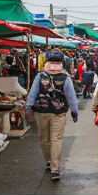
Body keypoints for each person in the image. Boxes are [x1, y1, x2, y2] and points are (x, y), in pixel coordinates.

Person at [24, 49, 79, 182]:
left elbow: (32, 94)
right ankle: (55, 168)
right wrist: (74, 112)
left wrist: (27, 109)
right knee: (56, 139)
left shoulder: (40, 76)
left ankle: (50, 162)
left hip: (41, 112)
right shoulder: (65, 78)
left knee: (44, 139)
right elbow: (71, 97)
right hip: (59, 113)